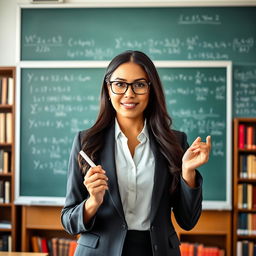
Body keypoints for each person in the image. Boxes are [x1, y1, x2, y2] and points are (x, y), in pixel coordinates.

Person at [61, 50, 211, 256]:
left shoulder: (175, 142)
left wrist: (188, 173)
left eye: (139, 84)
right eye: (120, 84)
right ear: (108, 88)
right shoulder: (86, 143)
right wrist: (93, 202)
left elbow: (188, 221)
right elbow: (69, 221)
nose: (129, 93)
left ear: (151, 89)